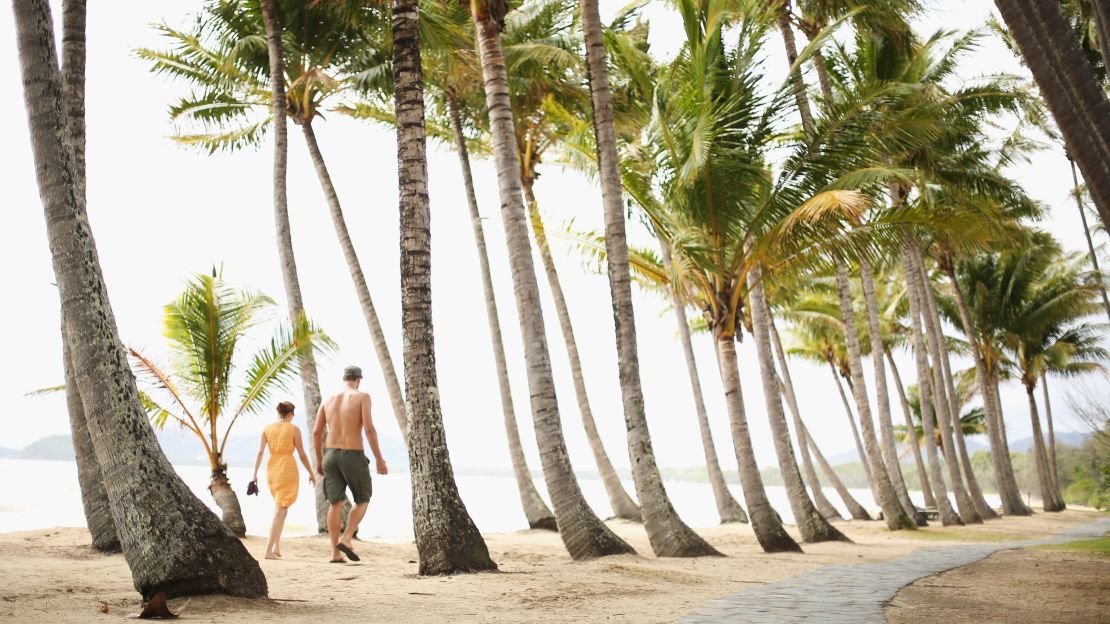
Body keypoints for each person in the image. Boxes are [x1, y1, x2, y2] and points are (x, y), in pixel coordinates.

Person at [314, 365, 388, 563]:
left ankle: (335, 553)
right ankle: (346, 538)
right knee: (363, 498)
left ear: (344, 378)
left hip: (330, 455)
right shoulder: (362, 397)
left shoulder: (328, 399)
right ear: (358, 379)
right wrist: (379, 459)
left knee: (335, 503)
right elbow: (369, 429)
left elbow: (316, 431)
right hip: (352, 454)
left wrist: (320, 460)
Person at [252, 401, 316, 560]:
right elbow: (301, 454)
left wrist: (254, 474)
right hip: (287, 467)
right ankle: (268, 551)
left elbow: (260, 452)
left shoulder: (267, 429)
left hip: (272, 467)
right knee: (280, 509)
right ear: (290, 414)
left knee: (283, 507)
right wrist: (311, 472)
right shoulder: (294, 429)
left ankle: (276, 547)